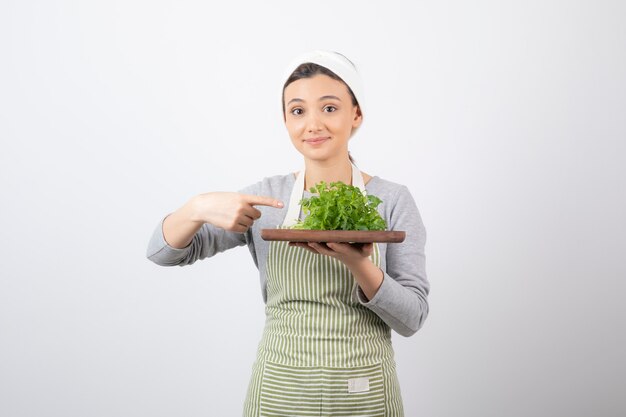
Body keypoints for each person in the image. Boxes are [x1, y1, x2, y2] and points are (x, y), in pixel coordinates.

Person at [146, 50, 429, 417]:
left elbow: (412, 318)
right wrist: (197, 207)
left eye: (329, 108)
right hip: (280, 391)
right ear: (285, 120)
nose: (313, 124)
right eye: (298, 111)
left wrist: (359, 264)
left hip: (364, 393)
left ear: (355, 114)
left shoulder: (391, 199)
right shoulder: (268, 199)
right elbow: (162, 253)